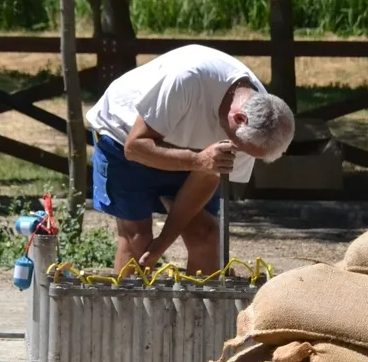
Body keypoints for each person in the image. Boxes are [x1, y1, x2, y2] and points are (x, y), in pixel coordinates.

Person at [86, 44, 295, 275]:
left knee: (206, 236)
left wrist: (162, 245)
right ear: (238, 118)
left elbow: (205, 178)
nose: (242, 153)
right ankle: (128, 310)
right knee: (138, 240)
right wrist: (197, 161)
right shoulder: (188, 79)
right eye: (241, 147)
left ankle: (196, 311)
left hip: (192, 149)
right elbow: (135, 147)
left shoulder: (261, 126)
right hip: (123, 134)